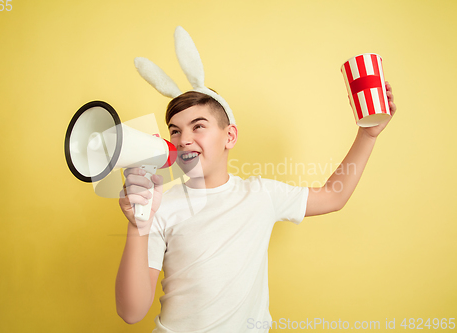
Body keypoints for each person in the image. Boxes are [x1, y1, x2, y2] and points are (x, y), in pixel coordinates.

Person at [114, 83, 397, 332]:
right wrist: (138, 223)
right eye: (174, 131)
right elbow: (132, 312)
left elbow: (333, 197)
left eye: (198, 126)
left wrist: (368, 136)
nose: (183, 139)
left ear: (230, 136)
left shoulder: (261, 194)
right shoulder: (159, 205)